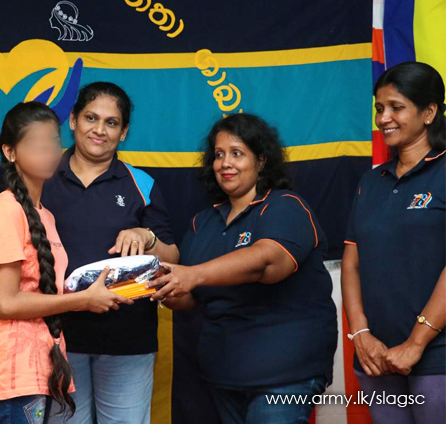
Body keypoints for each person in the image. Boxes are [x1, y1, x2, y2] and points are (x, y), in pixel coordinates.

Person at [148, 113, 337, 424]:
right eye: (219, 154)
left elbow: (266, 262)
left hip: (284, 374)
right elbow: (192, 298)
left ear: (260, 161)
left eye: (237, 153)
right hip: (223, 375)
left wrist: (192, 274)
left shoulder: (285, 205)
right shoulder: (202, 222)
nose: (225, 163)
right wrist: (163, 288)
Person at [0, 101, 132, 424]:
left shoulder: (44, 214)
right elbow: (7, 303)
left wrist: (105, 291)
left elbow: (47, 291)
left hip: (44, 364)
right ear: (10, 152)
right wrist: (83, 300)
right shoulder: (7, 209)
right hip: (13, 370)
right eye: (36, 143)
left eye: (53, 141)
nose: (48, 151)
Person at [43, 82, 179, 423]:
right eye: (91, 118)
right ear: (72, 120)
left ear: (124, 132)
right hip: (57, 338)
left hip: (127, 339)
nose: (99, 130)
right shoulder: (41, 176)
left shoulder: (141, 184)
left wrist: (147, 236)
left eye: (111, 122)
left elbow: (173, 258)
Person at [341, 61, 445, 423]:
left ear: (429, 112)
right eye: (379, 108)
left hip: (436, 355)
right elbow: (352, 261)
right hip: (376, 356)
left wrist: (416, 343)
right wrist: (361, 334)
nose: (383, 118)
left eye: (396, 107)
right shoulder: (371, 182)